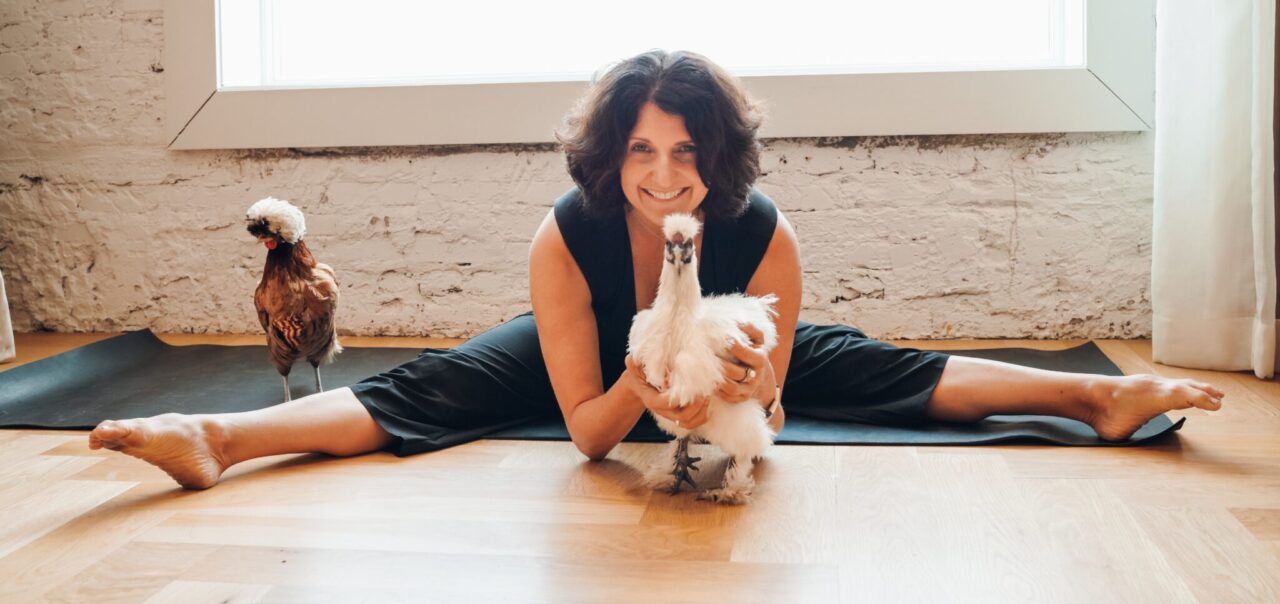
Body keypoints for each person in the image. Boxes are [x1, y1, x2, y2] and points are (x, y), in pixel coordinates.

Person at [89, 50, 1225, 490]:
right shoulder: (564, 239)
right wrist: (642, 385)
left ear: (714, 158)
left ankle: (1098, 397)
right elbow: (589, 438)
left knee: (876, 368)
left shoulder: (761, 231)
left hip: (722, 344)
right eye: (641, 151)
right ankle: (217, 436)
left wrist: (747, 386)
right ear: (611, 156)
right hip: (597, 355)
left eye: (684, 152)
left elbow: (775, 407)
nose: (665, 176)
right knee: (432, 387)